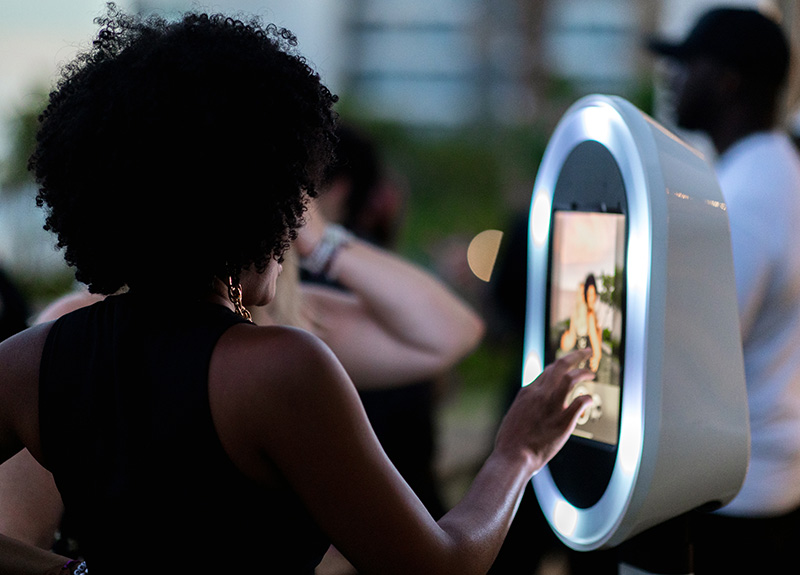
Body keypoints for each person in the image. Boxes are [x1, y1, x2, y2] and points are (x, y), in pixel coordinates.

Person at [0, 5, 593, 574]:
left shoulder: (31, 360)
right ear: (253, 206)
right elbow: (441, 564)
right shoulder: (281, 368)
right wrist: (517, 454)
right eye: (294, 201)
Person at [648, 7, 800, 574]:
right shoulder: (778, 170)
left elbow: (693, 362)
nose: (673, 79)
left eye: (688, 64)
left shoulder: (745, 197)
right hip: (767, 484)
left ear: (728, 81)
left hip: (736, 502)